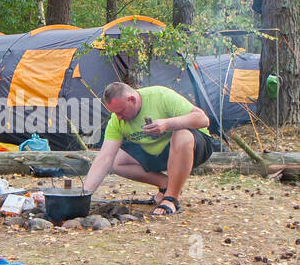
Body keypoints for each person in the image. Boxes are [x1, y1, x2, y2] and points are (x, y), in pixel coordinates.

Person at [80, 82, 212, 216]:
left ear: (132, 99)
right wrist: (83, 196)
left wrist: (167, 123)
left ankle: (171, 198)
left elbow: (203, 119)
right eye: (114, 113)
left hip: (194, 147)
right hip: (159, 153)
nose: (118, 117)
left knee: (181, 134)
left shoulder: (160, 96)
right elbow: (104, 158)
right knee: (115, 160)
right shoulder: (117, 120)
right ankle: (166, 184)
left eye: (121, 111)